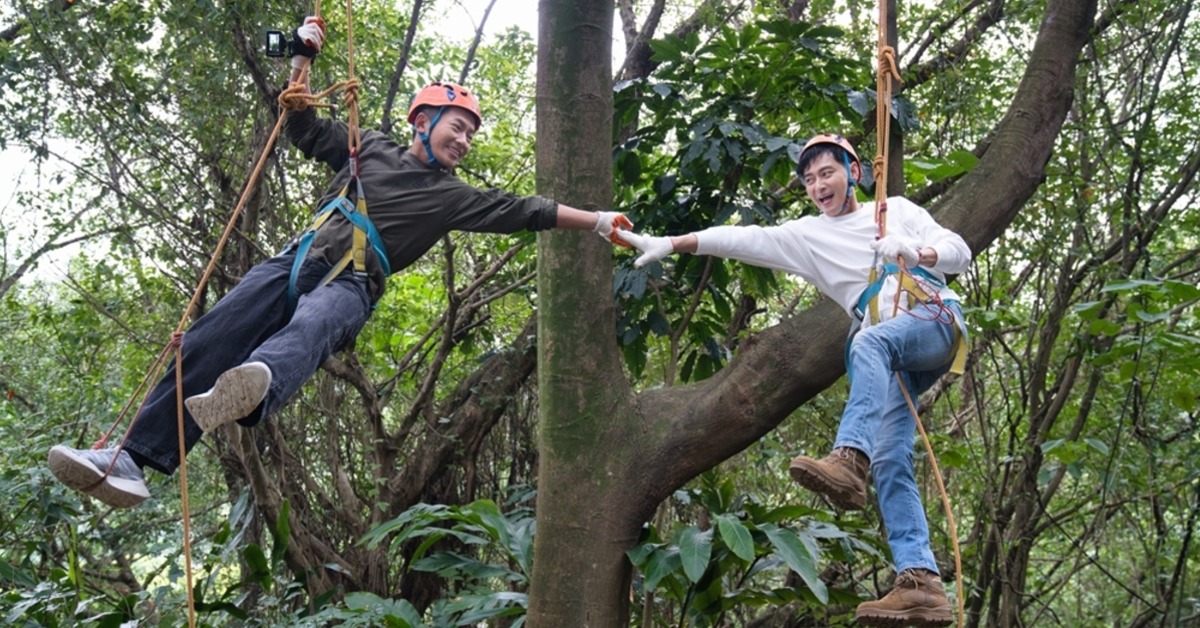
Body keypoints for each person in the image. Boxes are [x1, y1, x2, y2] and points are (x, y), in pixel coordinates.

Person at [48, 18, 631, 510]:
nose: (465, 142)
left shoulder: (453, 197)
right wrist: (303, 59)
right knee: (208, 337)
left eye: (471, 136)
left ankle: (257, 385)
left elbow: (527, 210)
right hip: (293, 261)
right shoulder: (369, 145)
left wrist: (599, 221)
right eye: (459, 128)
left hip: (353, 281)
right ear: (422, 123)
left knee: (315, 324)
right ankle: (128, 457)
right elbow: (300, 124)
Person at [618, 133, 969, 627]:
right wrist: (673, 243)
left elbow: (960, 252)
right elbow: (743, 240)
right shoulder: (807, 236)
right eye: (808, 179)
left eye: (827, 172)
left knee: (867, 343)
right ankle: (921, 584)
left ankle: (849, 460)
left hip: (931, 320)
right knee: (892, 456)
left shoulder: (897, 210)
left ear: (855, 173)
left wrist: (915, 250)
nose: (818, 185)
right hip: (892, 348)